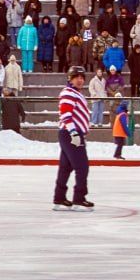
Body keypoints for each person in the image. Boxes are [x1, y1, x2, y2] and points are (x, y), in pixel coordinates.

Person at [52, 66, 93, 211]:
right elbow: (66, 114)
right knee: (82, 167)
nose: (80, 80)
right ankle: (79, 199)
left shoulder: (74, 93)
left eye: (82, 77)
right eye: (77, 77)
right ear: (70, 78)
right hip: (71, 134)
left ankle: (59, 198)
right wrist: (74, 133)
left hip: (69, 133)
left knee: (65, 167)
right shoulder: (69, 93)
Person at [111, 94, 129, 158]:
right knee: (120, 144)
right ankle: (117, 155)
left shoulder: (120, 113)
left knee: (120, 144)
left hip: (117, 131)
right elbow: (124, 124)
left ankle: (118, 154)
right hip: (119, 132)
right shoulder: (123, 114)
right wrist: (128, 132)